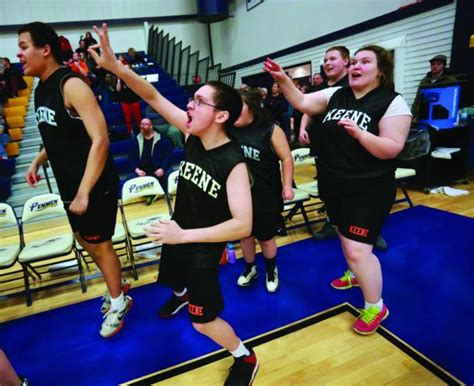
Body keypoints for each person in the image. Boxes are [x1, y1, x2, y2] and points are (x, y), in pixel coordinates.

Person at [89, 23, 259, 385]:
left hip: (199, 247)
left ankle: (244, 357)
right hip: (178, 233)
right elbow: (151, 95)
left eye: (199, 102)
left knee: (202, 321)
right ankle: (181, 294)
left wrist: (184, 236)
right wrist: (118, 68)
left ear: (221, 116)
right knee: (171, 280)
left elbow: (243, 226)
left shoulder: (234, 164)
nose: (189, 105)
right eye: (192, 99)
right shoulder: (192, 134)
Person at [264, 45, 412, 335]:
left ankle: (375, 306)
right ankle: (356, 275)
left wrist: (361, 134)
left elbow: (392, 148)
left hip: (368, 188)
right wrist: (282, 78)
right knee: (347, 244)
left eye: (365, 62)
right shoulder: (336, 94)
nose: (356, 66)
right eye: (354, 61)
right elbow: (303, 102)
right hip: (334, 183)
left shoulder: (393, 103)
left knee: (358, 250)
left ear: (381, 70)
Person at [17, 21, 131, 338]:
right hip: (71, 185)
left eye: (24, 46)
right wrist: (38, 161)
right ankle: (116, 287)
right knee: (85, 241)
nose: (19, 53)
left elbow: (101, 139)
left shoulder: (72, 84)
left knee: (100, 244)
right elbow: (58, 136)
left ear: (45, 49)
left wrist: (84, 192)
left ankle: (120, 301)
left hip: (93, 184)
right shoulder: (42, 88)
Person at [299, 46, 388, 252]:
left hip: (355, 155)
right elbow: (307, 108)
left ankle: (371, 231)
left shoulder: (355, 85)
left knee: (359, 200)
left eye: (332, 59)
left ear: (346, 62)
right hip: (325, 148)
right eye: (325, 59)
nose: (327, 63)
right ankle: (333, 222)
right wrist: (304, 127)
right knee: (329, 192)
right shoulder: (322, 89)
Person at [230, 87, 294, 293]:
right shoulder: (229, 130)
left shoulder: (270, 129)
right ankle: (250, 269)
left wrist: (287, 185)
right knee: (245, 236)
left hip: (266, 193)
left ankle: (271, 269)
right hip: (240, 196)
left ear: (252, 108)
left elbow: (286, 158)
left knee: (266, 237)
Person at [128, 117, 173, 193]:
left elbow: (167, 157)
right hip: (142, 171)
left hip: (158, 169)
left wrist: (162, 168)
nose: (142, 126)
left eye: (145, 124)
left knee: (170, 174)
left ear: (151, 126)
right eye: (141, 124)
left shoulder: (162, 139)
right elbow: (131, 158)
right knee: (129, 179)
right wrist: (137, 170)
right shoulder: (135, 140)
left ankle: (168, 196)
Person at [411, 54, 457, 122]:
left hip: (442, 117)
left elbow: (452, 100)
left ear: (444, 66)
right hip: (423, 117)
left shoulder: (450, 80)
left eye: (438, 64)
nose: (435, 66)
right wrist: (413, 116)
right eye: (433, 64)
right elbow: (418, 99)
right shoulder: (425, 80)